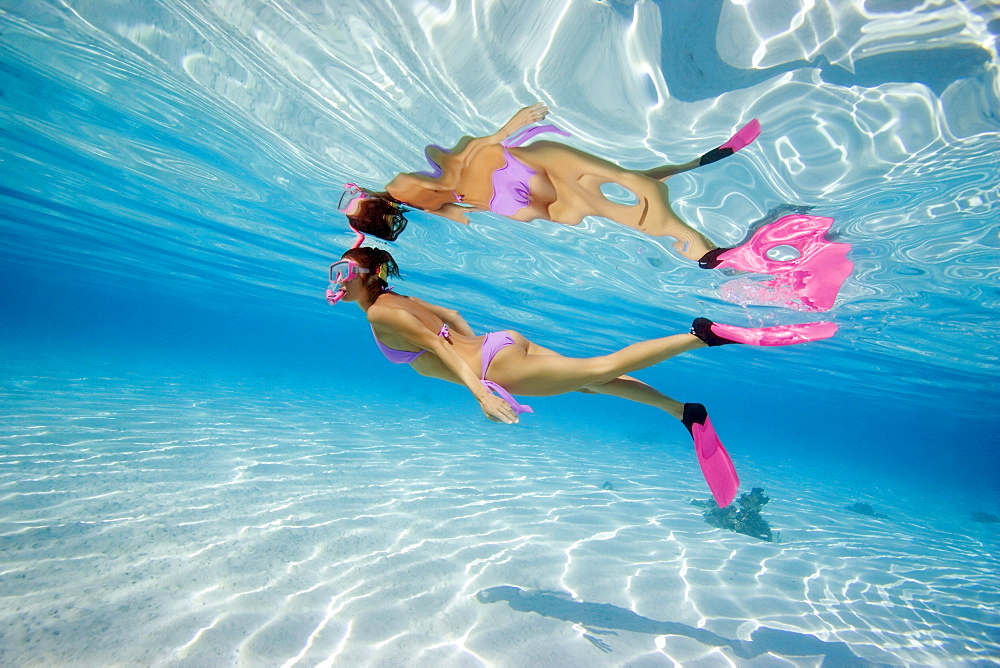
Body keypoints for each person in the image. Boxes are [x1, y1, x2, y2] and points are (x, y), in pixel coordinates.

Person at [328, 245, 835, 505]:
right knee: (593, 382)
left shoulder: (379, 314)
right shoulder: (397, 298)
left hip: (492, 365)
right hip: (500, 343)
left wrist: (480, 391)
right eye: (337, 273)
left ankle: (703, 335)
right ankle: (686, 413)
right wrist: (477, 350)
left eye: (344, 273)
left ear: (368, 276)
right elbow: (454, 321)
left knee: (600, 368)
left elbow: (438, 345)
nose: (338, 282)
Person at [341, 103, 761, 264]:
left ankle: (711, 246)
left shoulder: (412, 207)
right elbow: (455, 172)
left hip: (514, 203)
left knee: (622, 200)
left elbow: (460, 211)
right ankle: (714, 252)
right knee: (633, 187)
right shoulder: (398, 186)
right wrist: (505, 129)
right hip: (507, 170)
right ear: (369, 201)